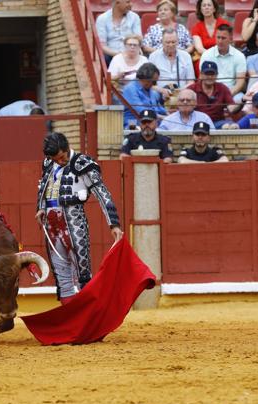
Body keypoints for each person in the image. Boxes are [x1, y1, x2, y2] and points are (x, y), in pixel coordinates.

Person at [35, 132, 124, 304]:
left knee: (83, 275)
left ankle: (88, 319)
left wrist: (114, 224)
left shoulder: (83, 163)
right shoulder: (48, 163)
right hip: (52, 226)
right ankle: (72, 322)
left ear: (67, 148)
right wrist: (41, 208)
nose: (59, 161)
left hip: (74, 223)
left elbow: (102, 193)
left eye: (61, 157)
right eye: (55, 159)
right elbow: (43, 186)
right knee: (61, 278)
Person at [199, 24, 247, 102]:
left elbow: (240, 82)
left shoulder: (239, 56)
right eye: (218, 37)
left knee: (239, 100)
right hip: (210, 91)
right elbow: (202, 79)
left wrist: (226, 95)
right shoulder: (207, 54)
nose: (220, 41)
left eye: (223, 38)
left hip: (232, 92)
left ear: (231, 39)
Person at [188, 61, 240, 129]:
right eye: (207, 74)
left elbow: (231, 109)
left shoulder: (222, 88)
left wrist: (243, 100)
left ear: (217, 75)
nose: (210, 77)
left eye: (212, 74)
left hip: (217, 122)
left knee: (232, 126)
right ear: (201, 74)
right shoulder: (192, 89)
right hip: (196, 123)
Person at [121, 63, 167, 128]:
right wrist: (161, 117)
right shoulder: (130, 89)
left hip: (153, 123)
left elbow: (156, 107)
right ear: (145, 79)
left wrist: (168, 113)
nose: (154, 84)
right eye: (153, 82)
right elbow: (142, 111)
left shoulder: (149, 89)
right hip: (135, 123)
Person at [95, 0, 142, 65]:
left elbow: (138, 39)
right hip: (111, 55)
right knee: (105, 58)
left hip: (131, 52)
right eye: (127, 2)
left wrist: (129, 53)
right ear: (117, 2)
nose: (131, 4)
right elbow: (102, 46)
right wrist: (119, 55)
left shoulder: (134, 17)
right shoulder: (102, 19)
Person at [190, 0, 230, 74]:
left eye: (209, 5)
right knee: (200, 64)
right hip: (204, 56)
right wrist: (213, 57)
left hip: (222, 54)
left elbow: (226, 43)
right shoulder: (196, 27)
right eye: (204, 6)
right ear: (201, 10)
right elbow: (199, 49)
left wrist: (219, 57)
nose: (206, 7)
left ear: (214, 9)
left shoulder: (224, 23)